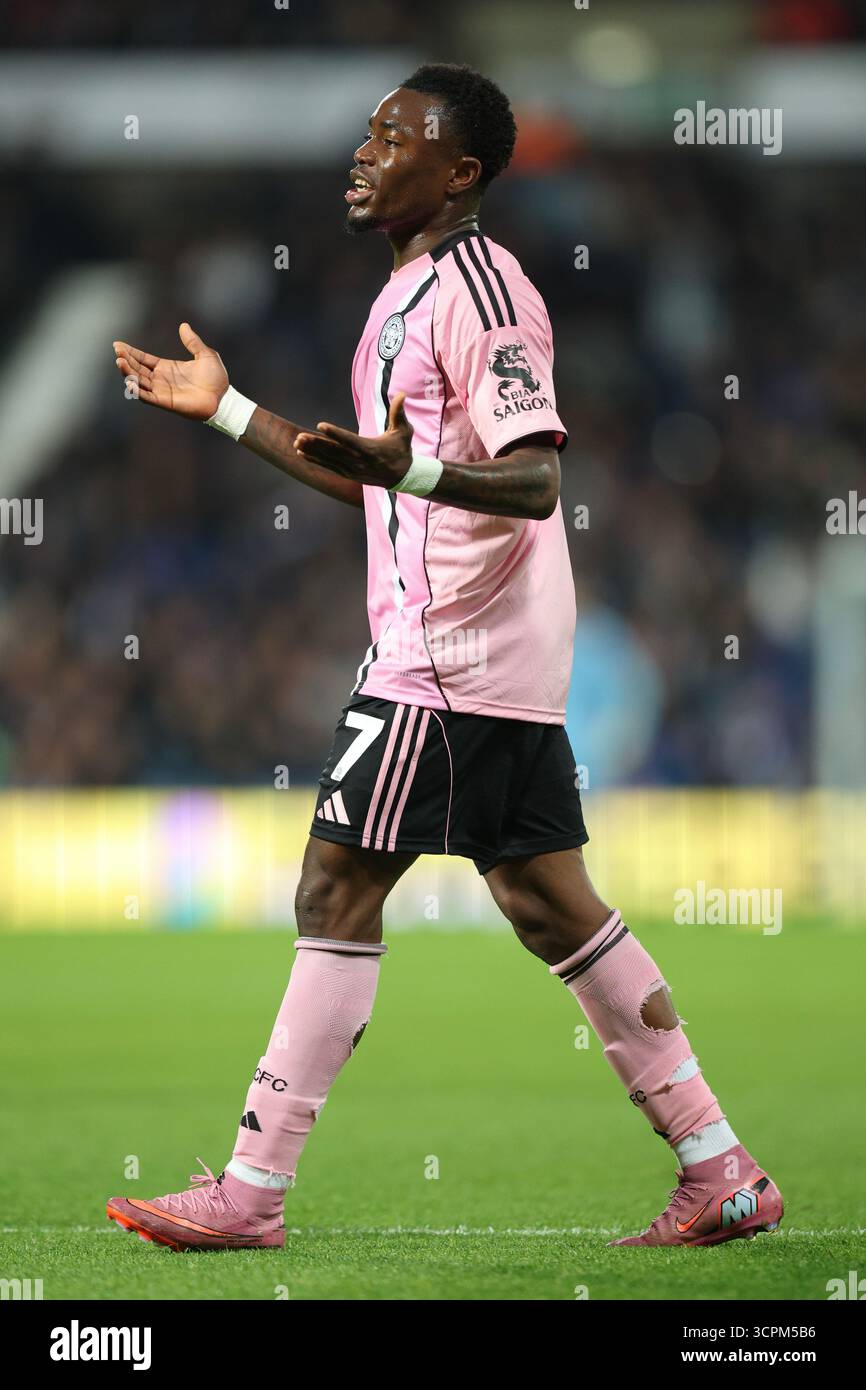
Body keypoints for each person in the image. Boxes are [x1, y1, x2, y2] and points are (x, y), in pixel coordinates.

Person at [106, 64, 782, 1251]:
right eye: (364, 131)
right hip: (477, 647)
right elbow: (354, 468)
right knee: (544, 901)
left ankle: (252, 1190)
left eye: (394, 136)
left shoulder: (481, 291)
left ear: (459, 172)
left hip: (448, 651)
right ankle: (718, 1163)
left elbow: (536, 477)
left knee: (334, 886)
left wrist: (409, 471)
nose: (363, 151)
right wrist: (225, 410)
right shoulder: (407, 293)